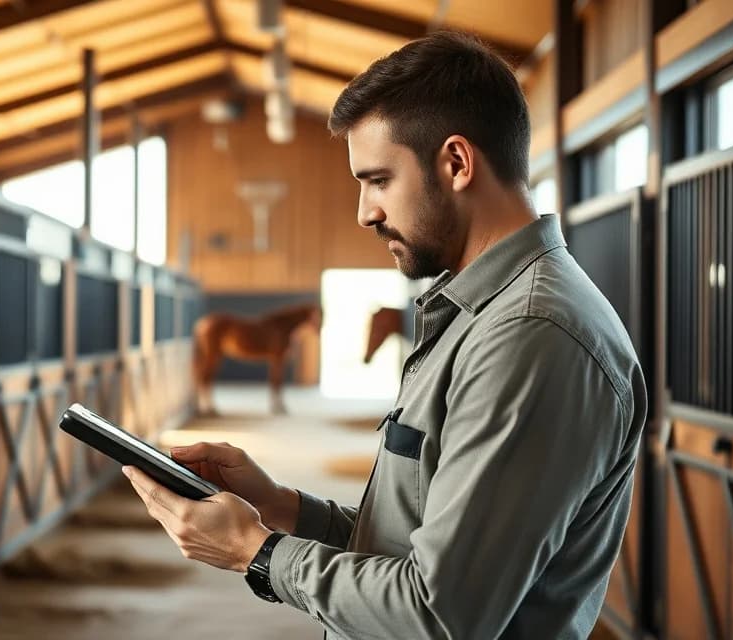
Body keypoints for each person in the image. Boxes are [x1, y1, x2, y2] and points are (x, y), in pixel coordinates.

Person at [124, 30, 647, 639]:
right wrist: (281, 507)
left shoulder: (530, 335)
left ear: (456, 163)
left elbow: (440, 613)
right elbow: (412, 547)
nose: (364, 212)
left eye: (377, 180)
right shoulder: (483, 315)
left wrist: (256, 553)